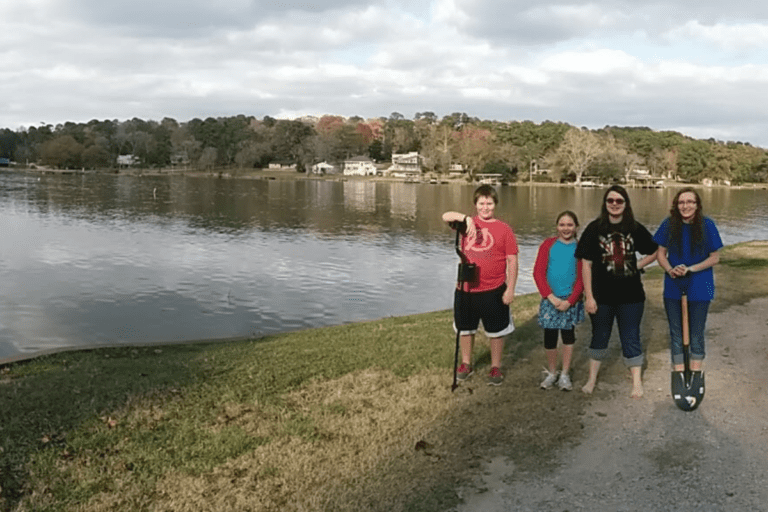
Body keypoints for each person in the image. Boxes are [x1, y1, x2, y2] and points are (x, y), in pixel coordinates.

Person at [575, 185, 658, 398]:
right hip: (601, 296)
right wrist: (589, 296)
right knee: (599, 336)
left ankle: (636, 382)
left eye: (619, 201)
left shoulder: (634, 228)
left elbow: (655, 250)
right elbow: (586, 264)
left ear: (625, 204)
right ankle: (591, 379)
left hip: (631, 296)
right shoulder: (594, 228)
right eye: (610, 200)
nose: (614, 204)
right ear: (605, 203)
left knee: (631, 336)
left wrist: (638, 265)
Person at [442, 184, 519, 386]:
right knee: (465, 329)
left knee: (496, 332)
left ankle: (495, 367)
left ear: (495, 205)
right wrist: (466, 219)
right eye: (481, 203)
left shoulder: (504, 229)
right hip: (466, 289)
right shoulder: (466, 224)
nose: (485, 207)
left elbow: (512, 260)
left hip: (494, 290)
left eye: (489, 203)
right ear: (475, 204)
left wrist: (510, 289)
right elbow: (445, 216)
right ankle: (466, 363)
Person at [653, 187, 722, 374]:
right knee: (676, 332)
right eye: (681, 202)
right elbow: (660, 254)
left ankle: (696, 372)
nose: (685, 206)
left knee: (696, 333)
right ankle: (679, 372)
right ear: (676, 205)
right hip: (673, 285)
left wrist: (690, 269)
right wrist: (670, 269)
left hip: (700, 285)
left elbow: (714, 258)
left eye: (690, 202)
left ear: (697, 205)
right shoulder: (669, 224)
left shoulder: (707, 225)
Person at [533, 211, 585, 391]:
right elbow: (538, 273)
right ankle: (552, 372)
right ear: (557, 227)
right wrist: (551, 297)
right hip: (551, 300)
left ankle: (565, 374)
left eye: (570, 225)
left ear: (576, 227)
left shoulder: (580, 247)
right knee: (550, 336)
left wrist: (570, 301)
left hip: (570, 301)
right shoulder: (548, 245)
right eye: (562, 225)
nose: (566, 228)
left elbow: (582, 278)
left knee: (568, 335)